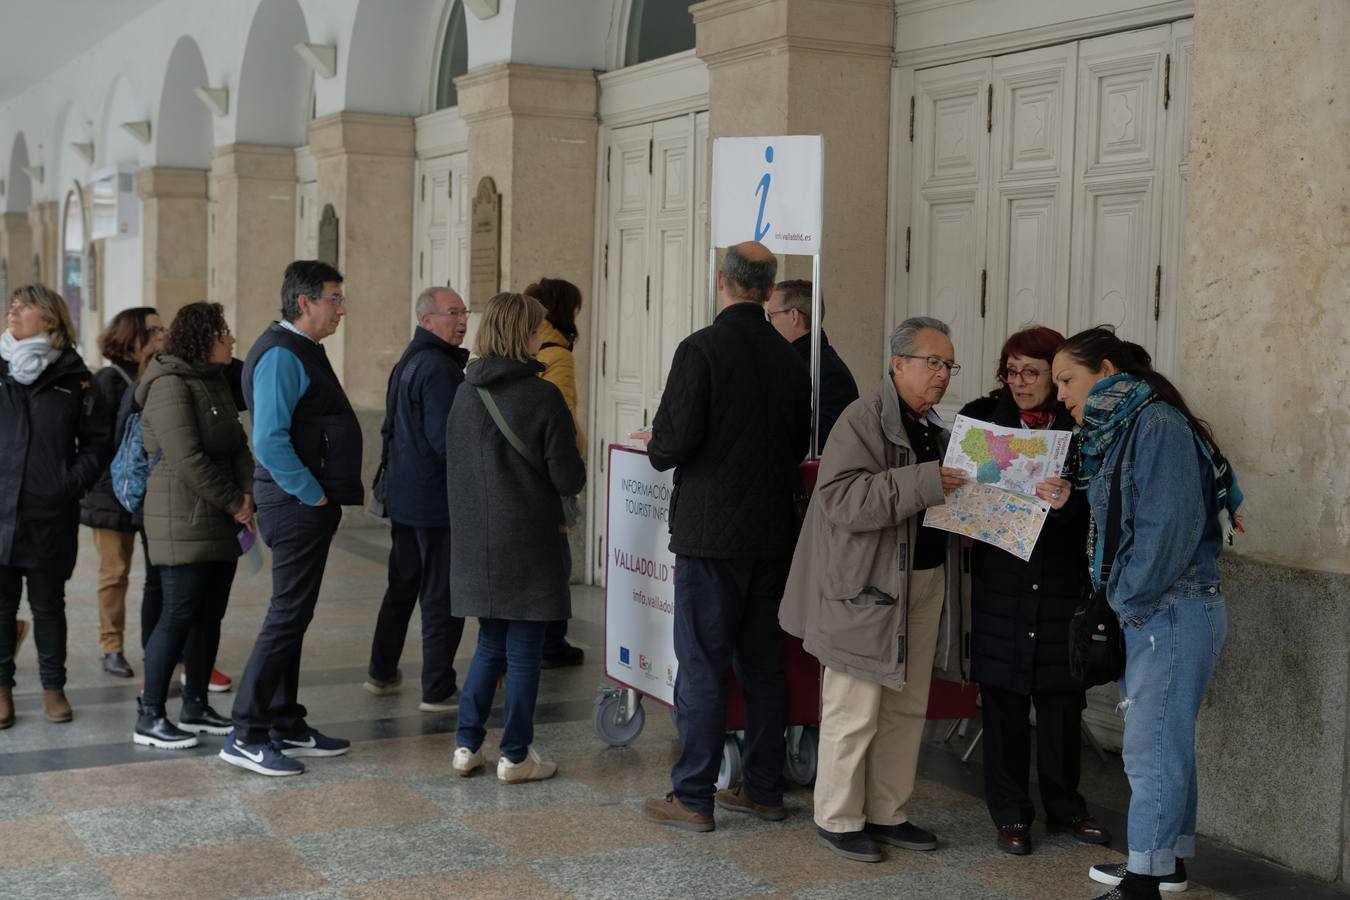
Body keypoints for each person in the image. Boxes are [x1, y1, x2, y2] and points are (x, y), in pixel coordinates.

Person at [1053, 327, 1237, 900]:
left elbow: (1168, 529)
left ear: (1106, 372)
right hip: (1166, 608)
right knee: (1164, 742)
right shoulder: (1124, 428)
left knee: (1151, 746)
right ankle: (1167, 863)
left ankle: (1144, 879)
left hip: (1171, 608)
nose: (1060, 394)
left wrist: (1125, 599)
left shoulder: (1155, 425)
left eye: (1067, 380)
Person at [780, 316, 969, 863]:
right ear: (898, 363)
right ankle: (837, 817)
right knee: (854, 705)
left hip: (925, 578)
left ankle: (888, 811)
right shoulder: (862, 419)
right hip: (867, 586)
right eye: (931, 362)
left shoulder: (934, 423)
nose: (941, 375)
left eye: (948, 365)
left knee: (906, 705)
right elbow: (841, 500)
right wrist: (926, 481)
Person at [639, 241, 811, 832]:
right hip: (772, 533)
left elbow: (671, 444)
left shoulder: (701, 348)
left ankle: (693, 795)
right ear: (768, 290)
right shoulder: (791, 356)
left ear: (721, 281)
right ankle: (763, 789)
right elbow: (797, 443)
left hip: (711, 535)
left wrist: (657, 442)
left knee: (704, 665)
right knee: (764, 665)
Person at [959, 325, 1109, 855]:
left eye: (1032, 372)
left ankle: (1066, 807)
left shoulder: (1085, 427)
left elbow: (1103, 509)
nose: (1019, 383)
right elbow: (960, 502)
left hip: (1062, 581)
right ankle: (1010, 814)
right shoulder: (981, 420)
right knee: (1002, 701)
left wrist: (1071, 505)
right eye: (1011, 371)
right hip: (1003, 581)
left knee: (1062, 701)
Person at [222, 260, 362, 777]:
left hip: (301, 503)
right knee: (286, 616)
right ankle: (246, 732)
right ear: (303, 302)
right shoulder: (282, 354)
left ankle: (284, 720)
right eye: (333, 297)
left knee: (294, 616)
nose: (341, 308)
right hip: (296, 503)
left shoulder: (299, 349)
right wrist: (313, 495)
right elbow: (269, 441)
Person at [446, 291, 585, 783]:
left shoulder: (465, 393)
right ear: (524, 334)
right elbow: (568, 478)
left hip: (477, 545)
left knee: (489, 646)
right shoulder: (542, 395)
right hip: (529, 541)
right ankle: (516, 754)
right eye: (537, 329)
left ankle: (466, 746)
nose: (541, 337)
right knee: (524, 652)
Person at [134, 302, 253, 749]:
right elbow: (186, 459)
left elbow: (239, 445)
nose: (232, 340)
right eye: (224, 333)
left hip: (220, 514)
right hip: (181, 516)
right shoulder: (169, 384)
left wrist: (246, 492)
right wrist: (235, 502)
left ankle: (196, 704)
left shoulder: (216, 381)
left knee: (209, 615)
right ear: (203, 338)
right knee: (179, 613)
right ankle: (149, 714)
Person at [0, 284, 111, 728]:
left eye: (23, 306)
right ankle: (2, 690)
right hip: (0, 511)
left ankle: (53, 687)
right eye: (12, 304)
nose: (13, 310)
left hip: (49, 513)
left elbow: (98, 441)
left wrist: (69, 482)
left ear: (47, 319)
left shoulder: (74, 377)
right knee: (1, 610)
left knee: (48, 607)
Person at [364, 286, 470, 711]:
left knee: (402, 587)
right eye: (451, 313)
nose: (462, 320)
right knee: (441, 593)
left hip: (407, 497)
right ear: (426, 320)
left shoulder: (410, 360)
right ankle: (438, 687)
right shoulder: (440, 368)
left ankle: (381, 670)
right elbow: (448, 443)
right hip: (434, 502)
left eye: (464, 312)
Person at [80, 307, 163, 678]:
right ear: (133, 337)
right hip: (111, 491)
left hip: (154, 491)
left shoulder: (163, 372)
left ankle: (159, 646)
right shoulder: (108, 380)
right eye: (155, 329)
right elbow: (96, 441)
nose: (163, 334)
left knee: (160, 575)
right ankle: (111, 646)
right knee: (114, 572)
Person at [525, 276, 587, 669]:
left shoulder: (523, 347)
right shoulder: (558, 353)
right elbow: (561, 415)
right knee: (556, 558)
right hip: (548, 469)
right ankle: (552, 640)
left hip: (521, 466)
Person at [764, 279, 858, 448]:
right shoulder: (793, 362)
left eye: (771, 316)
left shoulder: (828, 373)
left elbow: (823, 440)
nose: (768, 324)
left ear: (794, 316)